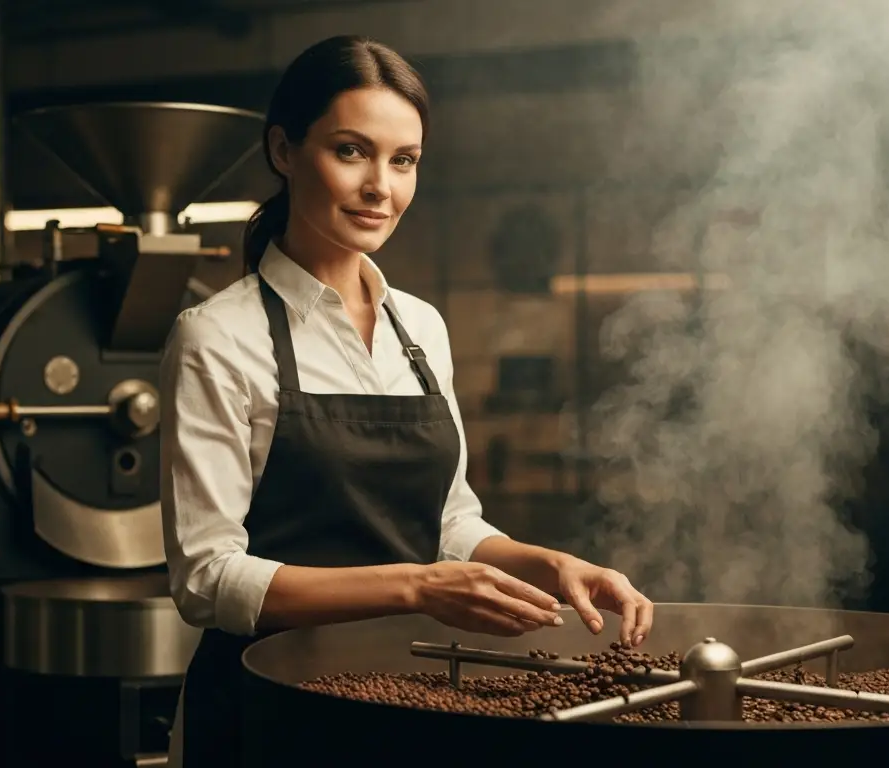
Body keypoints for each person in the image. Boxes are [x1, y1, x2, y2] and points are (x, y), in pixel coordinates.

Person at [159, 34, 654, 768]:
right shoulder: (217, 336)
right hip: (269, 711)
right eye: (351, 151)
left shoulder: (419, 327)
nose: (380, 187)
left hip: (403, 691)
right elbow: (208, 579)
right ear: (283, 151)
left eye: (404, 160)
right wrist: (419, 587)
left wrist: (550, 566)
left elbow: (449, 520)